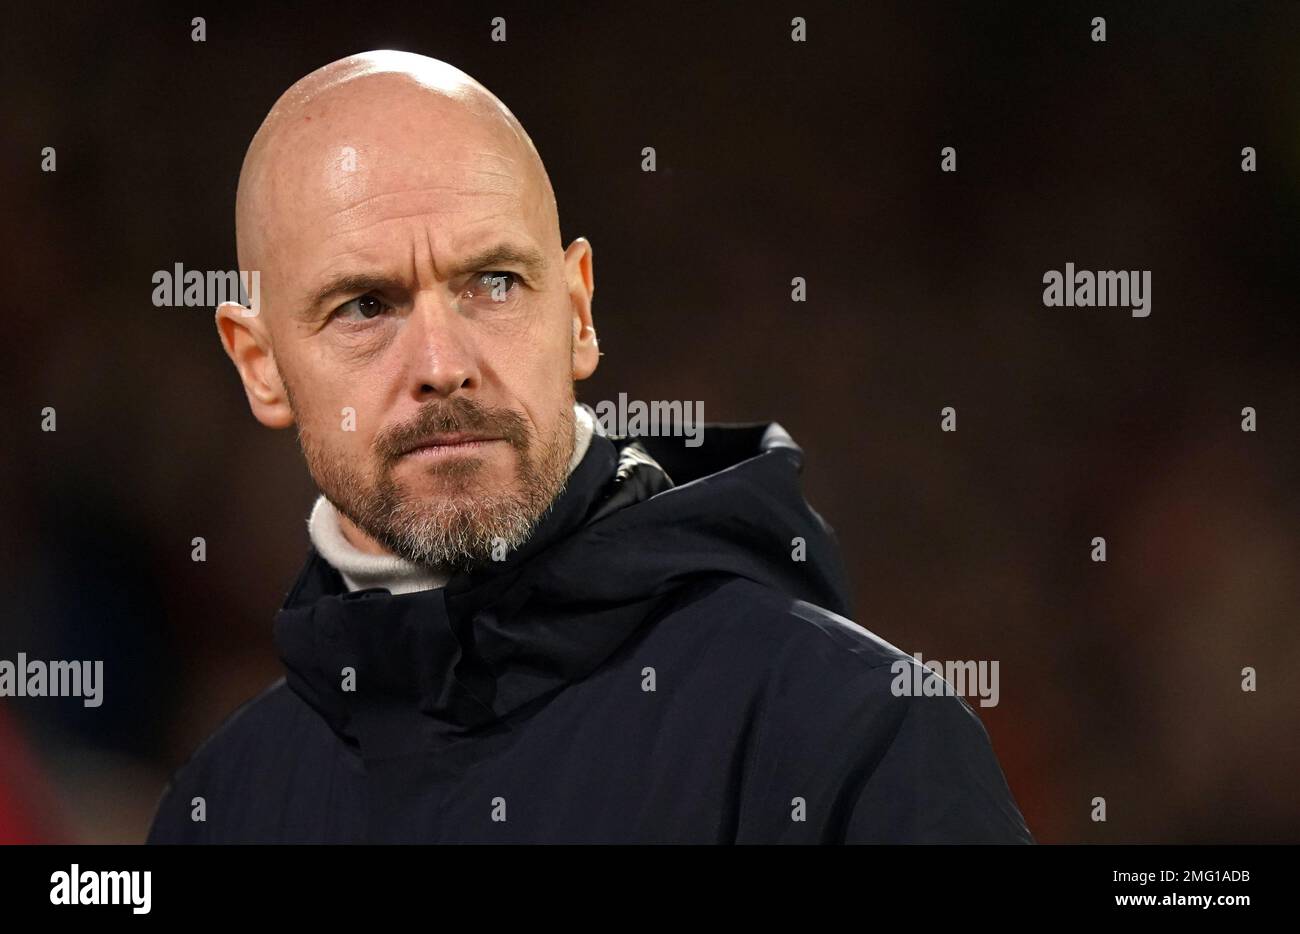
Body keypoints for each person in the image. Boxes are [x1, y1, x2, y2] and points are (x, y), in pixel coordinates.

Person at [146, 50, 1033, 844]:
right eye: (365, 307)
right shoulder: (223, 809)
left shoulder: (851, 738)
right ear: (260, 365)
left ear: (576, 311)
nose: (443, 365)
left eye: (493, 283)